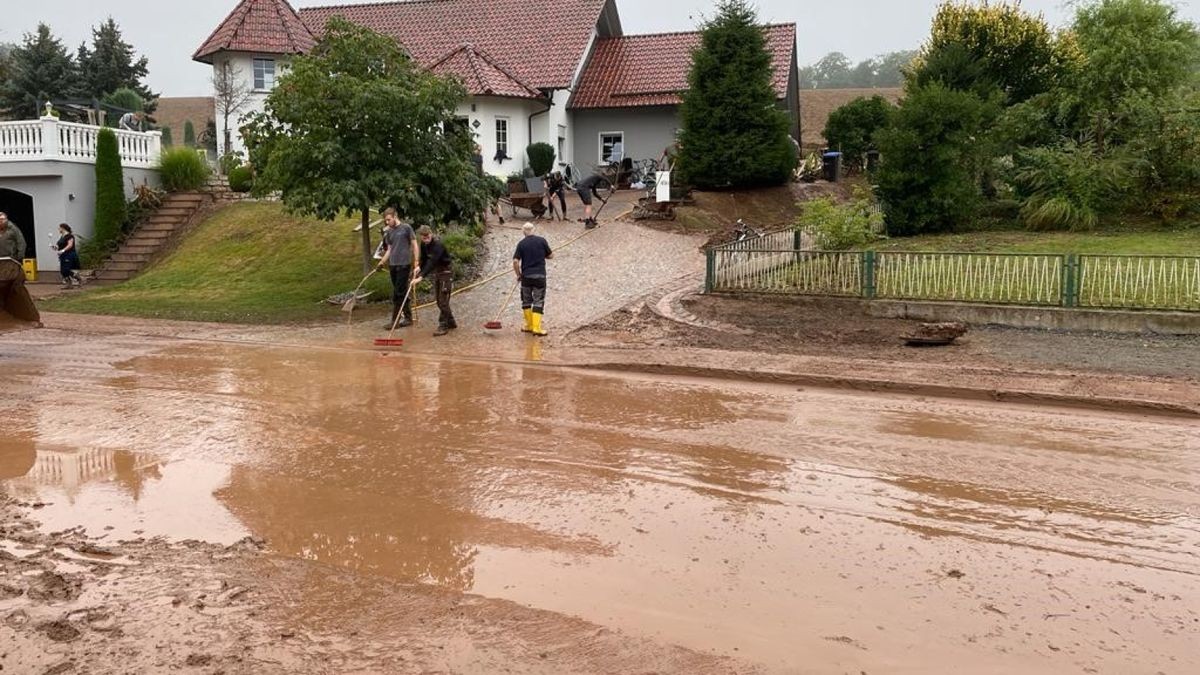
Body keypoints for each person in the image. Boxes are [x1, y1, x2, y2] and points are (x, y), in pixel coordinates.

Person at [375, 207, 419, 329]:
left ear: (395, 216)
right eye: (386, 221)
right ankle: (409, 318)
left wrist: (416, 261)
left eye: (389, 219)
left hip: (404, 264)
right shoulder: (389, 232)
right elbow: (389, 249)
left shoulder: (406, 228)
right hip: (393, 265)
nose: (387, 222)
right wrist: (382, 262)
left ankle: (395, 320)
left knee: (397, 293)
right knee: (402, 291)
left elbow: (415, 244)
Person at [411, 226, 456, 336]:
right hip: (437, 273)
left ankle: (443, 325)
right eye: (424, 238)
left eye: (428, 237)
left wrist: (421, 277)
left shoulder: (438, 245)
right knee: (438, 300)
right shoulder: (424, 245)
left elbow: (432, 262)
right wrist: (419, 267)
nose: (426, 239)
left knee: (443, 300)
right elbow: (424, 259)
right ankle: (451, 321)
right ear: (421, 237)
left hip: (446, 272)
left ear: (431, 234)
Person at [512, 222, 553, 336]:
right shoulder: (542, 241)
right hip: (540, 276)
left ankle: (528, 326)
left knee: (526, 301)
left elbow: (515, 261)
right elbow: (551, 255)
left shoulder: (521, 244)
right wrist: (542, 255)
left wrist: (518, 274)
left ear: (523, 231)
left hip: (526, 277)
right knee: (538, 301)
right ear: (533, 230)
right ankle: (536, 328)